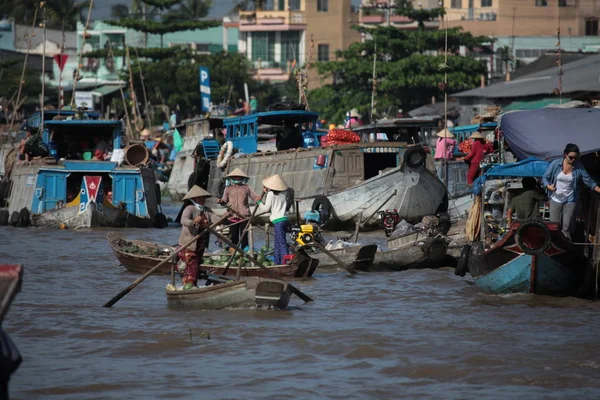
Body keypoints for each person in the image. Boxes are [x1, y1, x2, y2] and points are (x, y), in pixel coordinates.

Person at [542, 143, 600, 239]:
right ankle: (554, 244)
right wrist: (548, 186)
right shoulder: (555, 164)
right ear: (565, 154)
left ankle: (567, 244)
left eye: (576, 158)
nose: (573, 160)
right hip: (555, 198)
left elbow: (589, 182)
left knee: (567, 225)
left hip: (570, 198)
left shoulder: (579, 167)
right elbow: (545, 177)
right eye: (571, 157)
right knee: (554, 225)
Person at [178, 185, 215, 289]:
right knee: (191, 267)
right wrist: (193, 222)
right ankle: (188, 287)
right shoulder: (189, 208)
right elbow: (183, 220)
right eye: (200, 198)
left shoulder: (206, 210)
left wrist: (226, 217)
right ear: (194, 199)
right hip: (189, 243)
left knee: (196, 266)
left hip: (200, 244)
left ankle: (192, 286)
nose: (202, 200)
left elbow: (215, 218)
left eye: (203, 198)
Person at [217, 168, 259, 251]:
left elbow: (254, 197)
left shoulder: (246, 188)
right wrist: (221, 201)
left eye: (239, 177)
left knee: (244, 235)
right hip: (232, 215)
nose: (237, 179)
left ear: (242, 178)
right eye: (235, 177)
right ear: (232, 178)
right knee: (234, 236)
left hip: (244, 215)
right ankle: (234, 251)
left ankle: (245, 251)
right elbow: (224, 200)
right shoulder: (228, 188)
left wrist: (258, 199)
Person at [256, 174, 290, 265]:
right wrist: (267, 193)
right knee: (277, 242)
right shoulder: (284, 193)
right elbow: (276, 199)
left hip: (278, 221)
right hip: (285, 219)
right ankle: (277, 262)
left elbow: (266, 209)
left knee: (281, 242)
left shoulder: (271, 194)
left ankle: (286, 261)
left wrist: (258, 202)